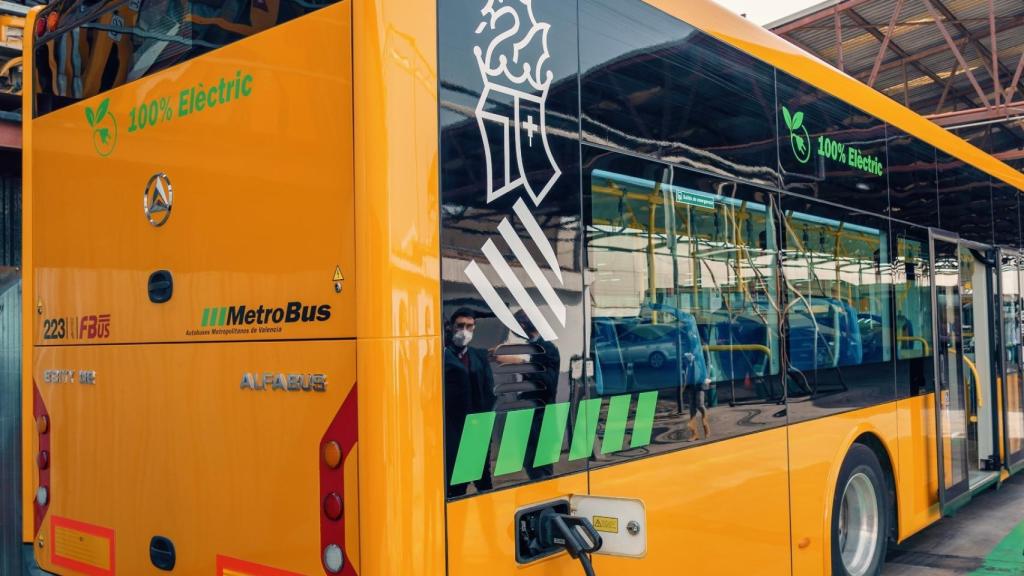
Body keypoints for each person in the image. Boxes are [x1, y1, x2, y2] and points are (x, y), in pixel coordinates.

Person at [444, 308, 497, 496]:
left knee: (484, 485)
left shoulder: (479, 356)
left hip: (477, 432)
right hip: (452, 434)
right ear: (451, 327)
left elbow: (489, 391)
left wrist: (483, 425)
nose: (464, 331)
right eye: (460, 326)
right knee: (455, 489)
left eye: (469, 326)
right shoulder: (440, 356)